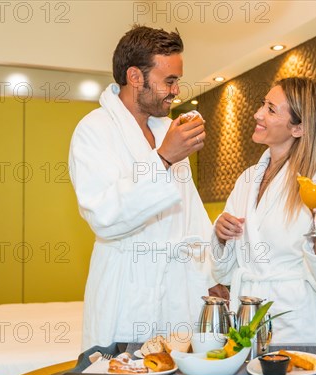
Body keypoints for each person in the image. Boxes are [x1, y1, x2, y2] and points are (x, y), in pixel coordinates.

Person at [69, 25, 220, 351]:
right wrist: (164, 157)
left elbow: (190, 213)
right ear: (135, 76)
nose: (176, 90)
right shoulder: (94, 131)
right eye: (169, 81)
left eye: (177, 80)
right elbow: (104, 216)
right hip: (127, 292)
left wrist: (214, 278)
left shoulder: (169, 129)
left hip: (178, 294)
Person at [212, 77, 316, 346]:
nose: (257, 114)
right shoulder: (247, 180)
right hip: (247, 319)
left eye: (270, 109)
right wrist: (221, 235)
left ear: (299, 128)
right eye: (262, 105)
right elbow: (223, 271)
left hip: (298, 324)